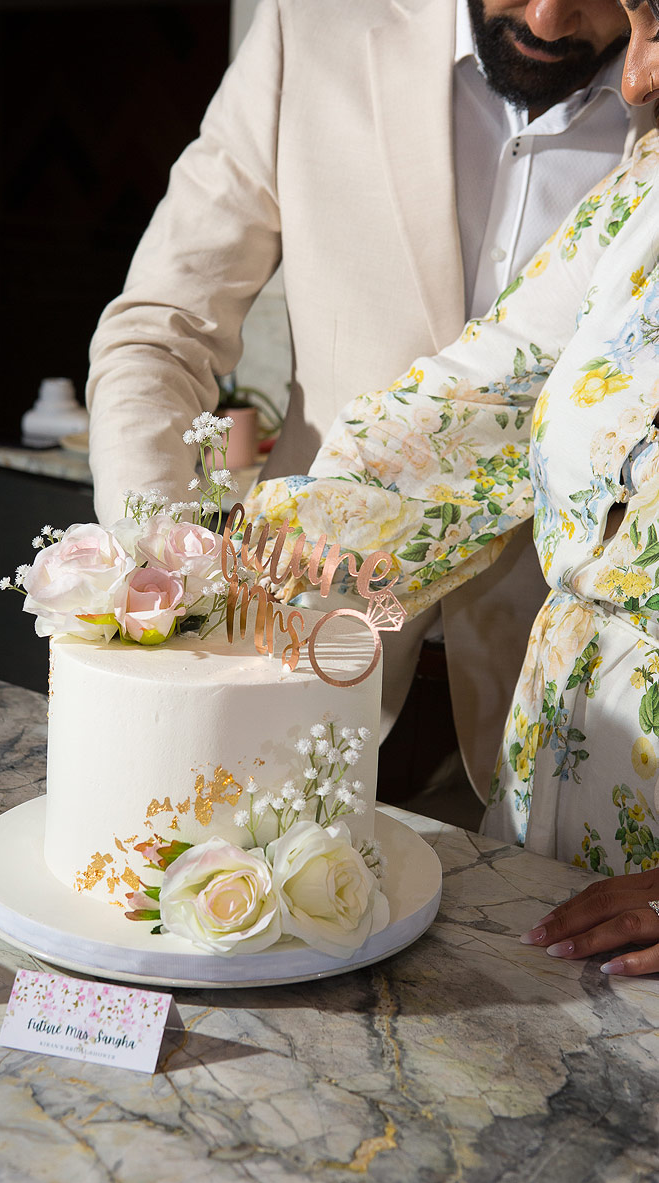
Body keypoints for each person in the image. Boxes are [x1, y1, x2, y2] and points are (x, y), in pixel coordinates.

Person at [87, 0, 651, 809]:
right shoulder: (311, 29)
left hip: (568, 725)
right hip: (287, 650)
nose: (548, 18)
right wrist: (164, 557)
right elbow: (160, 329)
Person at [245, 0, 659, 975]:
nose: (635, 82)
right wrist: (270, 541)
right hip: (552, 814)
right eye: (639, 27)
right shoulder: (640, 194)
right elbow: (483, 398)